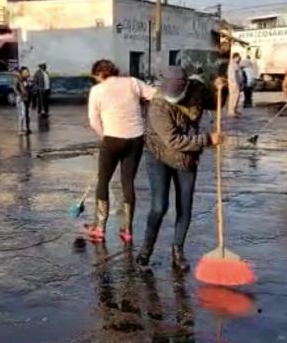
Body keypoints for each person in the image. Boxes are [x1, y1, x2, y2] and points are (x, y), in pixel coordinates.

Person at [137, 66, 224, 271]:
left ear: (186, 86)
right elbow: (173, 141)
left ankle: (178, 251)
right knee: (159, 206)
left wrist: (221, 89)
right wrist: (207, 139)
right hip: (159, 156)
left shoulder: (197, 89)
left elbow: (214, 103)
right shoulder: (158, 106)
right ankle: (146, 249)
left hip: (187, 159)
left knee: (185, 206)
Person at [87, 59, 157, 243]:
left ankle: (99, 227)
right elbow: (155, 95)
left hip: (112, 138)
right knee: (128, 183)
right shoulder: (133, 82)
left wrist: (104, 136)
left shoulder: (97, 91)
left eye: (96, 77)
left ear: (101, 73)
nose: (96, 81)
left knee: (103, 181)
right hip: (135, 139)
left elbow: (93, 120)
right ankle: (127, 229)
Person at [14, 66, 32, 135]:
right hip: (20, 98)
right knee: (22, 114)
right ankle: (20, 129)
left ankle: (26, 128)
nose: (27, 73)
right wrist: (20, 95)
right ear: (21, 73)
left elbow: (29, 89)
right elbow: (15, 89)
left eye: (27, 72)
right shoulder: (18, 79)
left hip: (26, 98)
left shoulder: (27, 80)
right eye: (25, 72)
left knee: (26, 114)